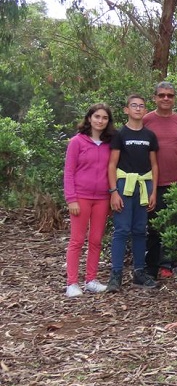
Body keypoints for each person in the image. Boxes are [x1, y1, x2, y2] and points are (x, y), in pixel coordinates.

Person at [143, 82, 177, 280]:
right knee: (153, 226)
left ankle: (168, 265)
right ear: (155, 97)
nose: (166, 99)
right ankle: (150, 267)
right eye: (162, 95)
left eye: (170, 96)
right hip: (151, 182)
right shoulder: (146, 120)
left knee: (173, 226)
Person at [107, 94, 159, 292]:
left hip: (144, 186)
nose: (138, 109)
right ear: (126, 110)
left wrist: (153, 191)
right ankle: (116, 274)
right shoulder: (120, 135)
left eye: (141, 106)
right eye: (134, 106)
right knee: (121, 230)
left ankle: (139, 272)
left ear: (145, 110)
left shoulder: (149, 136)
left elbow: (154, 165)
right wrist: (113, 191)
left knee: (140, 230)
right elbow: (112, 164)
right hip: (123, 185)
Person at [63, 103, 116, 297]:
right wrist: (71, 199)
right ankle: (72, 283)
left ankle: (91, 280)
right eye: (97, 117)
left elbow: (113, 171)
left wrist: (111, 197)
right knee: (77, 240)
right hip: (80, 197)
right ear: (89, 118)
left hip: (102, 198)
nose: (100, 121)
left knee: (96, 240)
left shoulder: (110, 143)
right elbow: (68, 172)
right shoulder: (77, 142)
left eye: (104, 118)